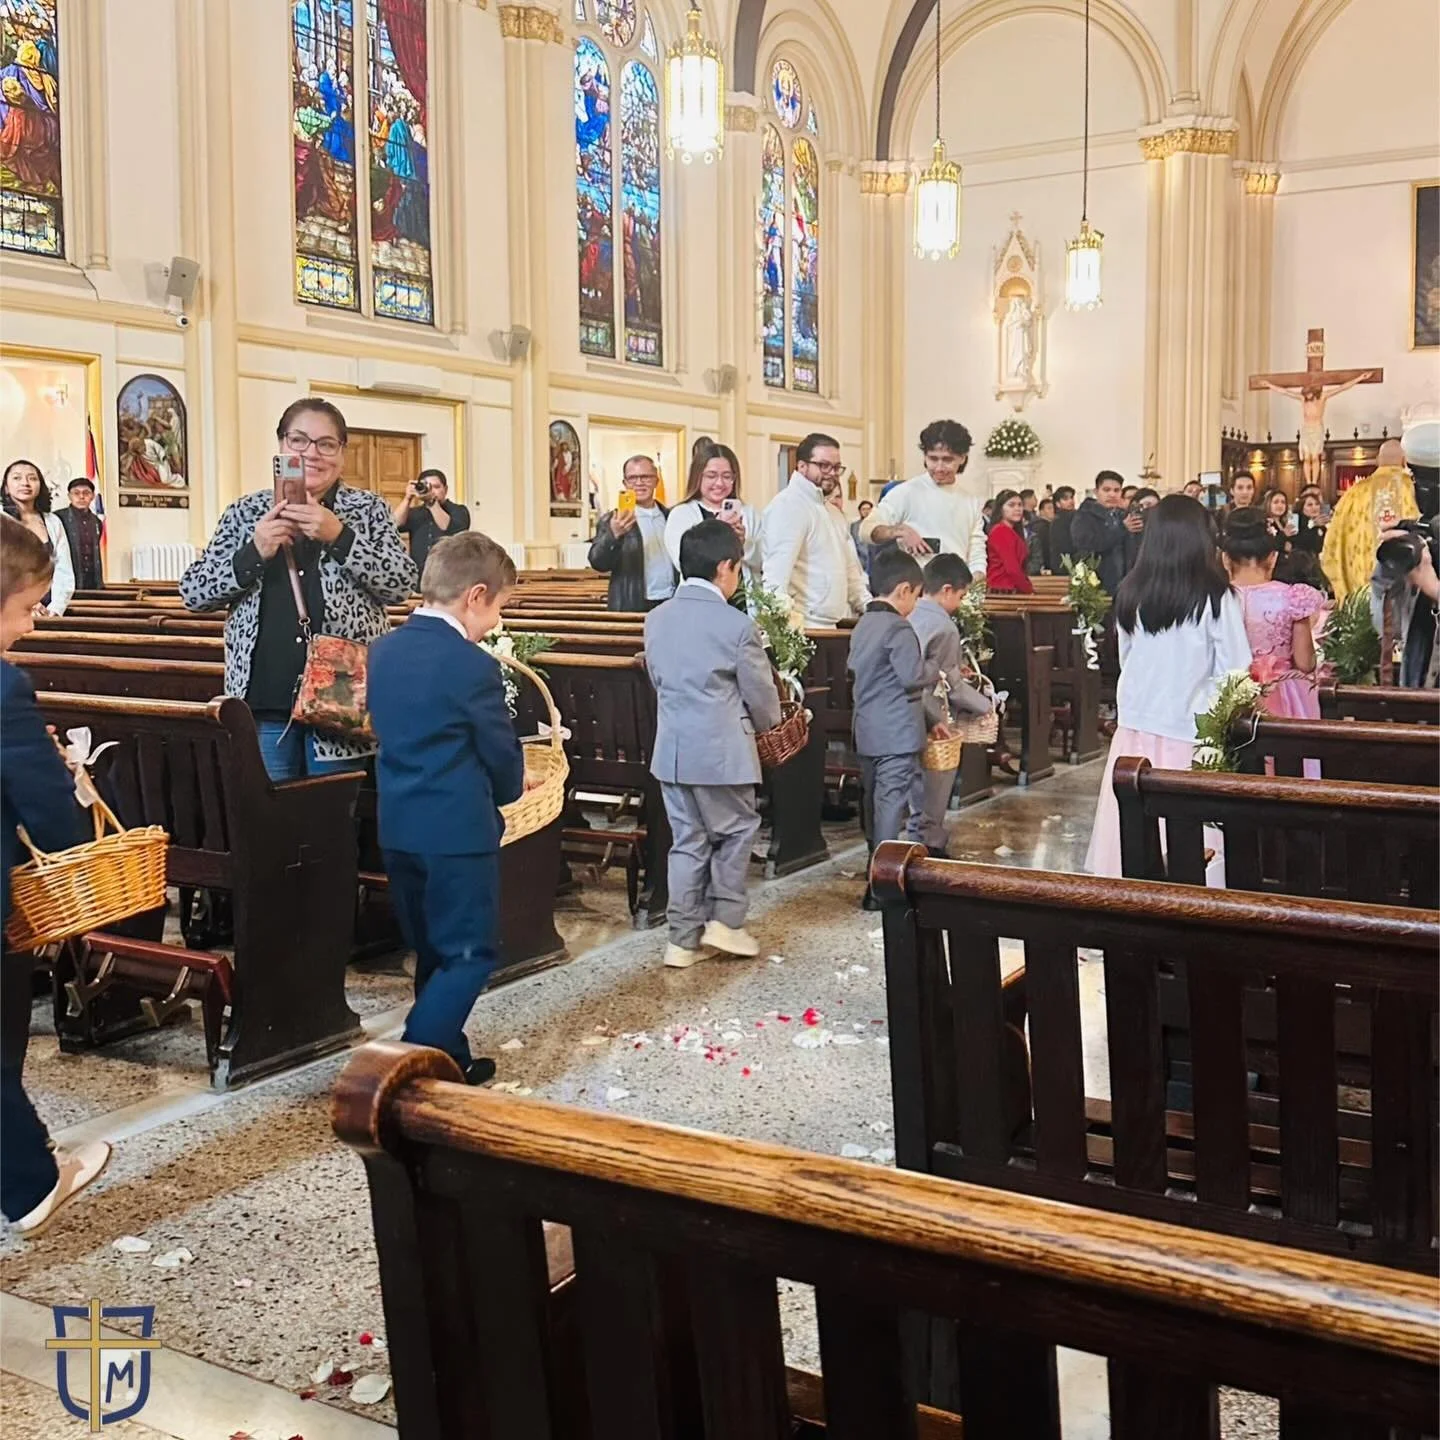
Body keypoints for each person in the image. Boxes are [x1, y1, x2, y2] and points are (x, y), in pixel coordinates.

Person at [180, 398, 417, 781]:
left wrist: (339, 536)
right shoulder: (245, 512)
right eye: (299, 440)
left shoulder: (368, 510)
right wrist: (255, 550)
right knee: (272, 810)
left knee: (333, 811)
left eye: (326, 444)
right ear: (281, 445)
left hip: (342, 697)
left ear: (342, 453)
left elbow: (401, 584)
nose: (312, 453)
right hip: (265, 699)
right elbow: (194, 593)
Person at [367, 533, 527, 1085]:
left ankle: (449, 1058)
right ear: (475, 596)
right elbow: (499, 750)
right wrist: (512, 788)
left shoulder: (383, 650)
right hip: (457, 830)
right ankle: (413, 1056)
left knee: (433, 950)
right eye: (499, 606)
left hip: (399, 825)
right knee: (469, 954)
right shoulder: (470, 665)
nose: (496, 621)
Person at [1, 517, 110, 1236]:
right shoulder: (4, 685)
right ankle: (32, 1184)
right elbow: (49, 813)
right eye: (28, 607)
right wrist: (61, 780)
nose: (34, 623)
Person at [1085, 496, 1251, 877]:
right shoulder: (1216, 596)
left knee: (1132, 830)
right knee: (1190, 843)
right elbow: (1235, 671)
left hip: (1136, 728)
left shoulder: (1130, 591)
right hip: (1192, 732)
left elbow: (1126, 659)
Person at [644, 521, 782, 969]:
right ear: (725, 567)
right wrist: (771, 725)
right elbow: (761, 695)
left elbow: (657, 679)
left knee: (687, 841)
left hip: (673, 750)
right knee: (737, 831)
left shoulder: (656, 618)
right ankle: (726, 920)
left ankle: (681, 941)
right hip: (722, 754)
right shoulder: (737, 625)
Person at [849, 547, 930, 908]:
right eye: (916, 594)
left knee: (873, 804)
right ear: (903, 590)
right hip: (896, 732)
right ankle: (881, 888)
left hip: (867, 730)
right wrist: (938, 669)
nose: (915, 603)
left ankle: (874, 873)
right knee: (891, 806)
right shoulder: (898, 627)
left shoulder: (863, 624)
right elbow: (912, 677)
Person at [909, 554, 992, 856]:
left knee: (916, 779)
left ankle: (915, 835)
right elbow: (952, 687)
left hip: (906, 709)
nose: (960, 603)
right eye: (961, 595)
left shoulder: (909, 612)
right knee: (937, 778)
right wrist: (986, 705)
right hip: (933, 711)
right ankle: (930, 840)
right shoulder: (944, 628)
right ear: (946, 590)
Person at [1221, 508, 1325, 741]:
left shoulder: (1215, 600)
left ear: (1225, 559)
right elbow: (1305, 663)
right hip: (1282, 695)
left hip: (1227, 697)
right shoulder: (1292, 598)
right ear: (1272, 557)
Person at [761, 432, 870, 627]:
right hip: (804, 627)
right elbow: (776, 576)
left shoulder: (834, 513)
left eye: (836, 467)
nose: (832, 473)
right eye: (824, 465)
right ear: (802, 466)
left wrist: (869, 606)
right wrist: (780, 631)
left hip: (836, 623)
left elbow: (850, 570)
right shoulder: (788, 506)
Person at [858, 420, 988, 576]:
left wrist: (976, 586)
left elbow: (977, 553)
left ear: (962, 458)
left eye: (947, 460)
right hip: (916, 585)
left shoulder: (970, 501)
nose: (939, 468)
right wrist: (899, 531)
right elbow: (865, 530)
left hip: (957, 586)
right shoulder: (906, 492)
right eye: (933, 459)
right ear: (925, 456)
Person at [664, 441, 760, 606]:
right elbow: (685, 563)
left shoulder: (749, 513)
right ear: (698, 477)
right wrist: (718, 534)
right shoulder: (682, 514)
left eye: (727, 476)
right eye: (711, 476)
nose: (719, 483)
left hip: (744, 603)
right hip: (700, 604)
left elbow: (763, 561)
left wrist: (744, 543)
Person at [1322, 439, 1419, 602]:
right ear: (1405, 461)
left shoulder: (1354, 493)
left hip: (1362, 593)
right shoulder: (1416, 490)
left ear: (1377, 461)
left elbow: (1331, 546)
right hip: (1410, 597)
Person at [588, 455, 675, 612]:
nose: (639, 483)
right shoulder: (612, 519)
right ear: (625, 483)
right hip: (632, 603)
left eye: (645, 477)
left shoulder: (672, 517)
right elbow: (598, 563)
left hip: (672, 600)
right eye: (632, 478)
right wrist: (614, 535)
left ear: (656, 481)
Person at [1, 460, 72, 616]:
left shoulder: (53, 522)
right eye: (17, 478)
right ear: (6, 487)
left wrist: (55, 609)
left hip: (47, 611)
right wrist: (24, 604)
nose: (25, 483)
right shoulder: (2, 520)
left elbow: (64, 570)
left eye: (32, 478)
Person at [390, 469, 470, 585]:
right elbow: (394, 525)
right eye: (427, 486)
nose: (432, 491)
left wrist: (431, 503)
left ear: (445, 489)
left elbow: (448, 529)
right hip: (420, 578)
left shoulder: (459, 511)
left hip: (450, 577)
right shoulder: (415, 513)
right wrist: (407, 498)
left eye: (436, 487)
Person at [1069, 470, 1139, 596]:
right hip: (1096, 584)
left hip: (1124, 584)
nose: (1112, 494)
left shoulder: (1122, 515)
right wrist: (1122, 529)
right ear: (1096, 492)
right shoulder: (1084, 516)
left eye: (1116, 490)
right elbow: (1087, 544)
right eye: (1106, 490)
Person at [57, 477, 103, 591]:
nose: (81, 497)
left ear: (92, 496)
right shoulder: (58, 518)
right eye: (76, 493)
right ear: (69, 496)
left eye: (86, 493)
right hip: (66, 582)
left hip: (92, 582)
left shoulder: (97, 521)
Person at [986, 489, 1033, 594]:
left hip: (1009, 587)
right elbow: (1012, 568)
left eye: (1020, 505)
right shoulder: (1001, 531)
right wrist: (1028, 590)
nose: (1017, 509)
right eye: (1011, 505)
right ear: (1000, 509)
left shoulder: (1010, 531)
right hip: (1003, 589)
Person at [1293, 488, 1328, 558]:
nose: (1314, 507)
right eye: (1310, 505)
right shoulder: (1295, 520)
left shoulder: (1320, 522)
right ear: (1302, 508)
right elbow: (1298, 543)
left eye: (1317, 504)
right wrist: (1311, 525)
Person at [1049, 485, 1078, 567]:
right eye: (1066, 499)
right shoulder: (1059, 521)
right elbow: (1064, 546)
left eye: (1071, 498)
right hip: (1064, 564)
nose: (1070, 501)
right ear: (1058, 504)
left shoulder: (1076, 516)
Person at [1027, 496, 1055, 575]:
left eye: (1053, 508)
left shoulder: (1050, 525)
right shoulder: (1042, 527)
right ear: (1041, 511)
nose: (1053, 511)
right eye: (1049, 508)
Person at [850, 499, 874, 571]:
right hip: (860, 558)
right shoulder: (855, 526)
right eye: (863, 509)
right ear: (860, 511)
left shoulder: (877, 524)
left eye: (868, 509)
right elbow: (854, 543)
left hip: (874, 557)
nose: (866, 511)